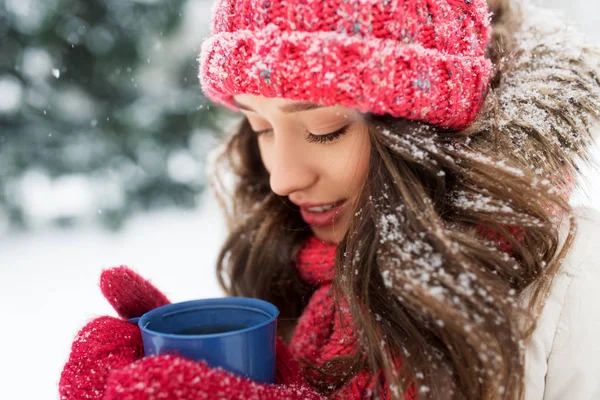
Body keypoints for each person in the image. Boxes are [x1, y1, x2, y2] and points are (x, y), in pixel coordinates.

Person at [59, 0, 600, 399]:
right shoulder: (293, 273)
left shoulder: (574, 280)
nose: (282, 179)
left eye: (324, 129)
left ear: (423, 130)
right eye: (261, 128)